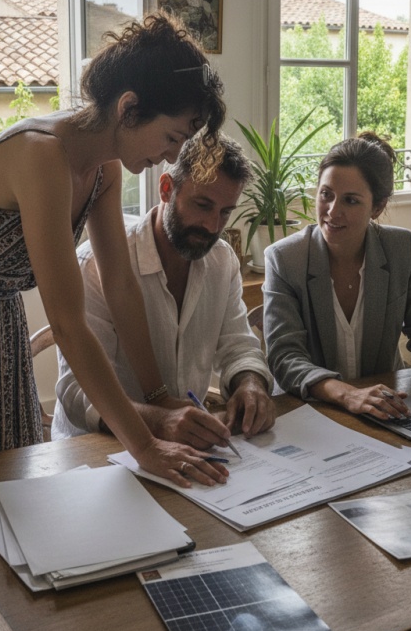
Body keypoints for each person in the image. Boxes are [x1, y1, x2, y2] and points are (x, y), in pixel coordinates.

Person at [0, 12, 228, 630]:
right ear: (129, 107)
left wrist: (162, 394)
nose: (171, 154)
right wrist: (144, 445)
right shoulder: (41, 156)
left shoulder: (107, 170)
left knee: (2, 517)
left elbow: (119, 289)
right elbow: (67, 319)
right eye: (170, 136)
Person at [52, 133, 275, 446]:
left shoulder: (222, 261)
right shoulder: (95, 266)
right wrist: (159, 419)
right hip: (95, 450)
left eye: (225, 212)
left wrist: (250, 383)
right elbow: (77, 392)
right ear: (167, 188)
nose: (212, 226)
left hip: (186, 446)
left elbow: (238, 345)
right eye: (203, 205)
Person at [263, 132, 411, 421]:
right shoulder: (285, 259)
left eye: (350, 200)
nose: (332, 211)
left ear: (377, 207)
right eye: (326, 195)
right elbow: (285, 358)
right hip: (311, 412)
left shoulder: (402, 249)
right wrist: (348, 395)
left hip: (385, 407)